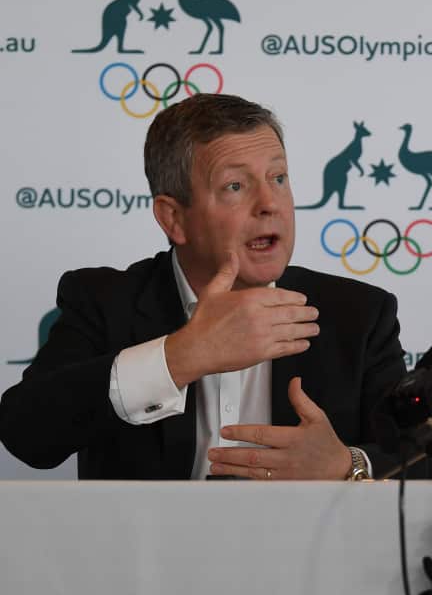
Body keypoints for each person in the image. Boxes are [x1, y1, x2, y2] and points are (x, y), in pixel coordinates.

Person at [0, 93, 407, 480]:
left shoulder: (358, 314)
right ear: (173, 218)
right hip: (147, 552)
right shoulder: (106, 301)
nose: (270, 203)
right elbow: (28, 435)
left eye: (278, 178)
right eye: (235, 186)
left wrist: (346, 464)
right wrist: (182, 355)